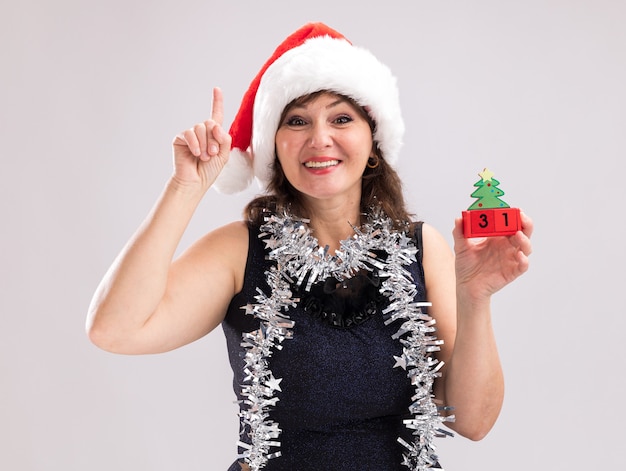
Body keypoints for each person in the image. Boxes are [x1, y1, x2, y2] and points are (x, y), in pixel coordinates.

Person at [86, 23, 533, 471]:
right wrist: (186, 186)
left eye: (341, 118)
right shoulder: (239, 252)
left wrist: (474, 298)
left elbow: (472, 422)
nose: (319, 139)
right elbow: (115, 328)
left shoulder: (422, 249)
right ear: (274, 146)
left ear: (372, 141)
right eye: (297, 121)